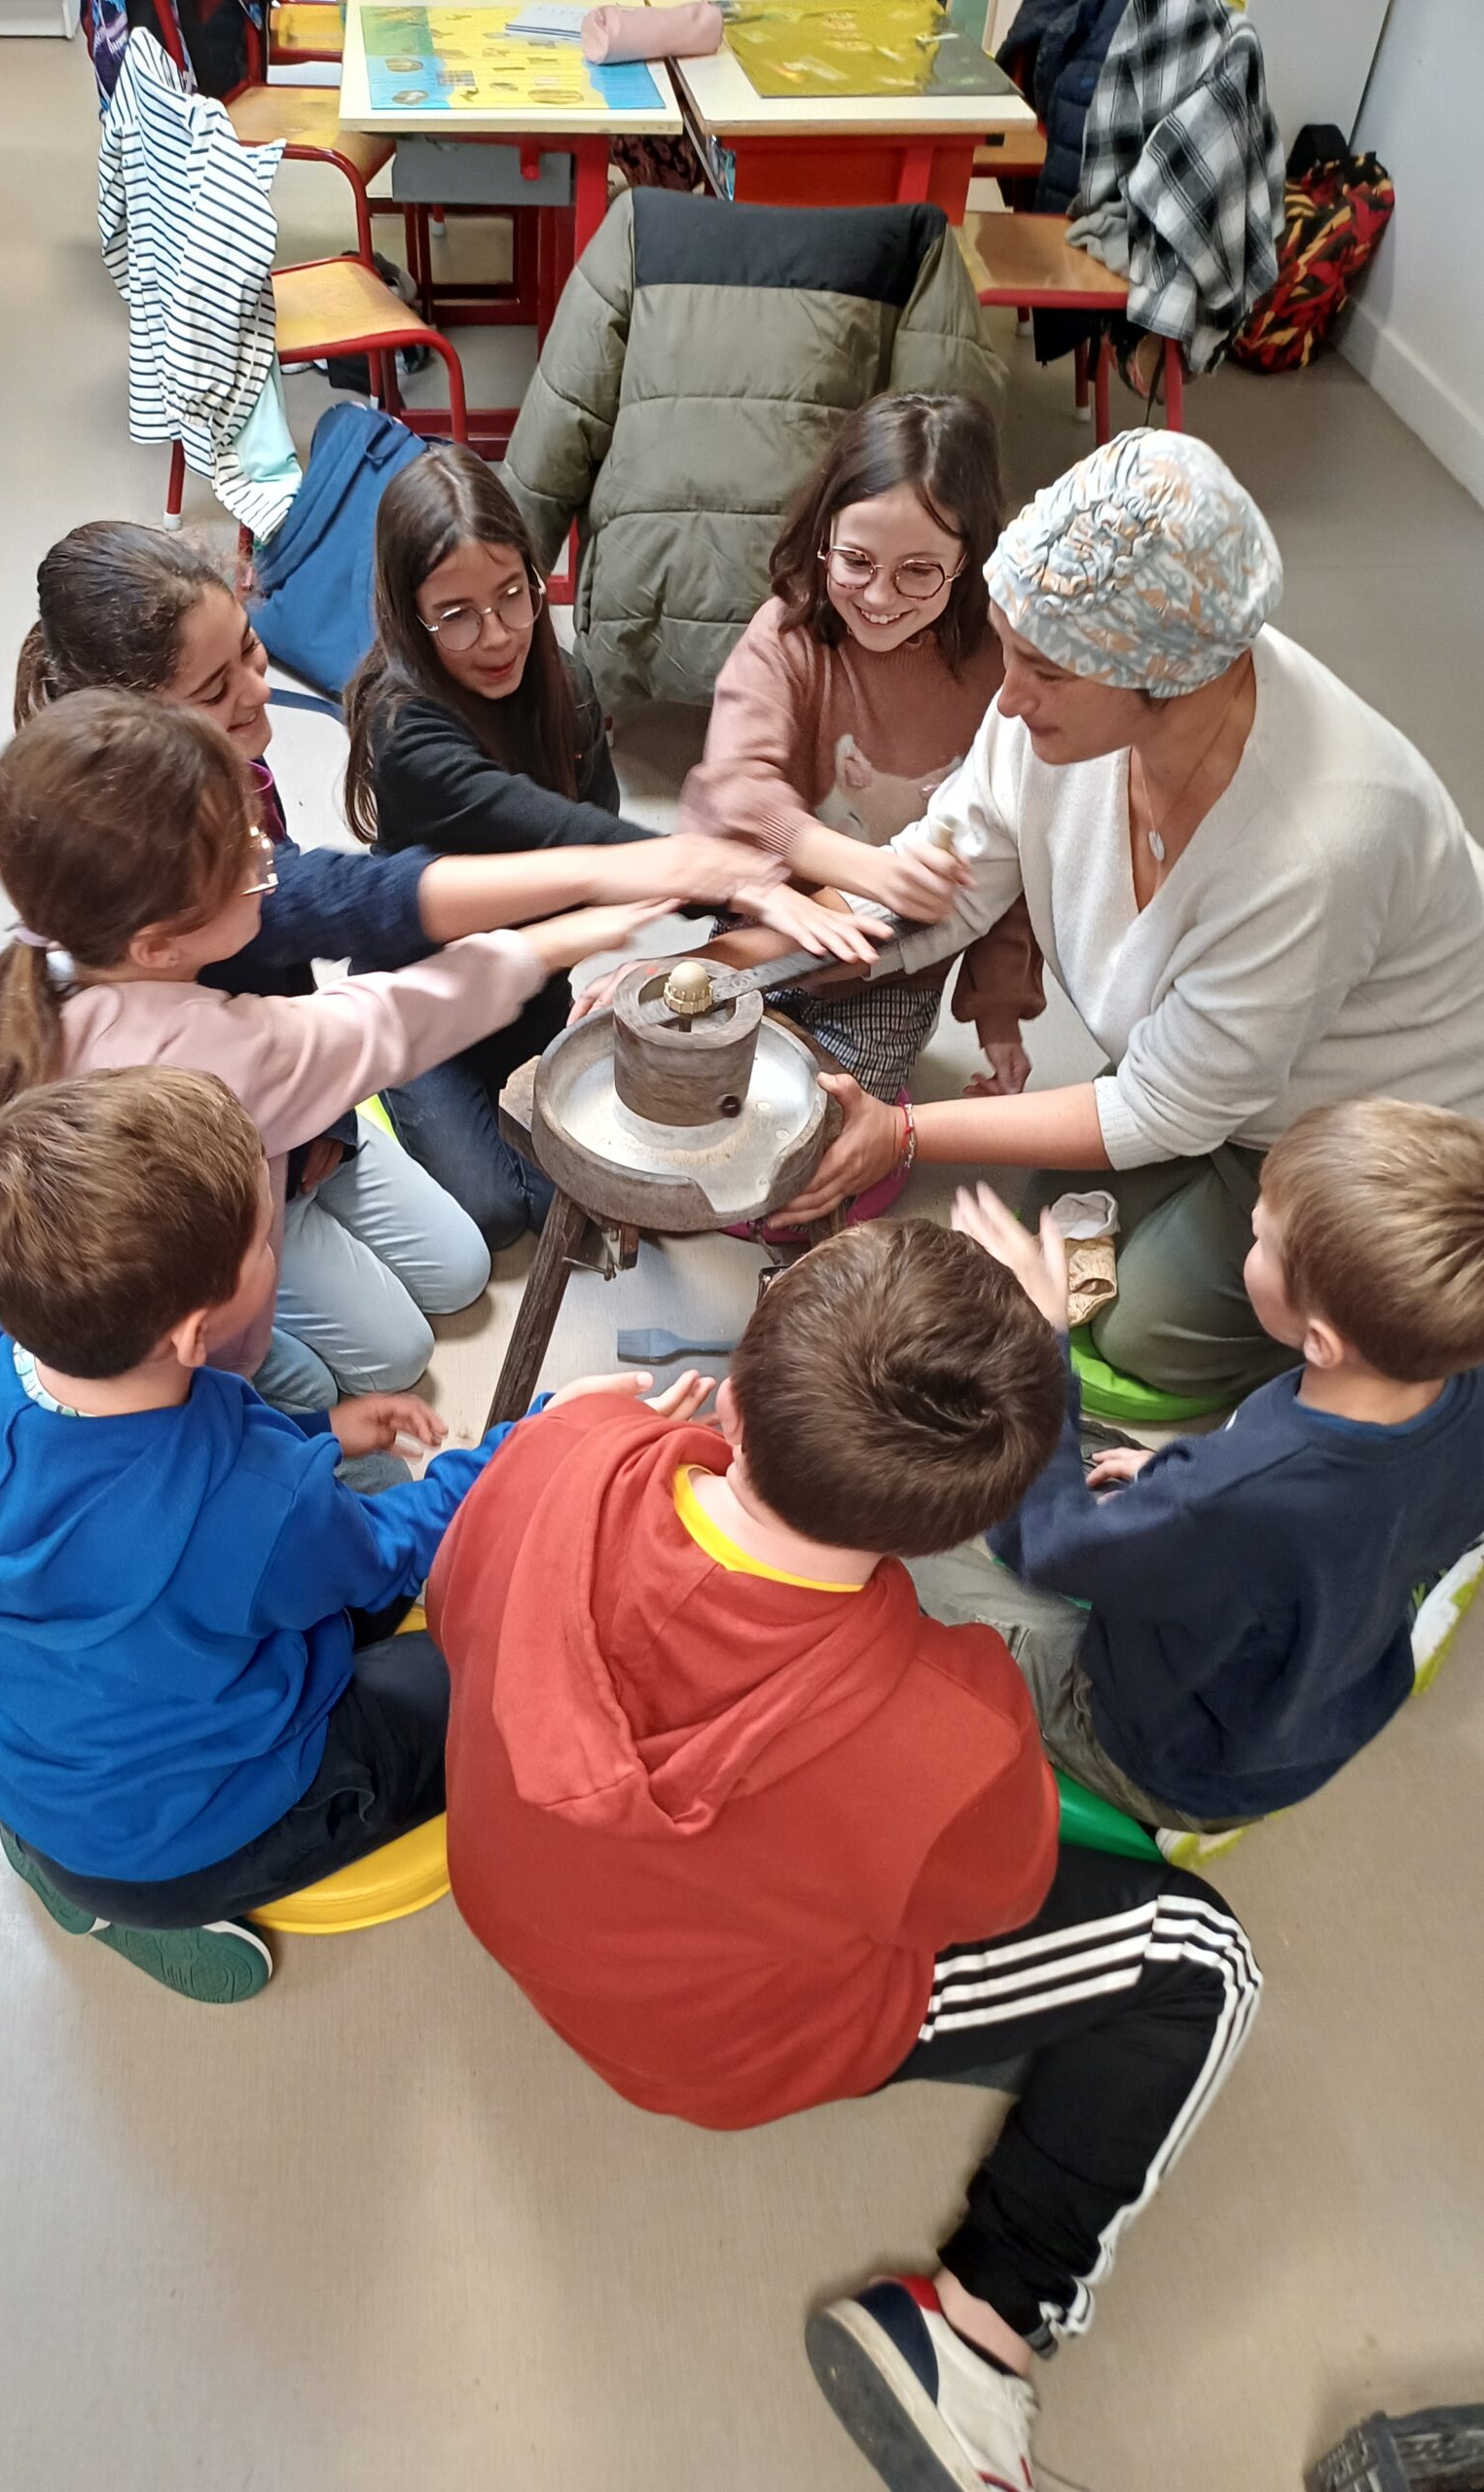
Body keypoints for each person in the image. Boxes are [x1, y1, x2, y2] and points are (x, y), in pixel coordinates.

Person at [427, 1220, 1261, 2492]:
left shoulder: (567, 1449)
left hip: (511, 1895)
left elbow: (459, 1594)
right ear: (958, 1524)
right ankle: (981, 2341)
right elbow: (990, 1900)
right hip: (715, 2047)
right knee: (1205, 1956)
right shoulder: (953, 1718)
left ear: (742, 1393)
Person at [734, 430, 1484, 1404]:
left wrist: (905, 1132)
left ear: (1174, 680)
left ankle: (1412, 1313)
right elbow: (929, 882)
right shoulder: (1077, 703)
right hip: (1220, 1065)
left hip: (1376, 1123)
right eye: (1009, 649)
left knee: (1140, 1328)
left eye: (1043, 671)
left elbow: (1163, 1107)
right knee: (1049, 1226)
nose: (1006, 698)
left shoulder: (1317, 845)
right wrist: (719, 970)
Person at [16, 520, 772, 1405]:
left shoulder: (206, 827)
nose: (259, 689)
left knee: (456, 1273)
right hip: (231, 1181)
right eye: (217, 687)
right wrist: (605, 891)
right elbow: (364, 949)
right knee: (389, 1356)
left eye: (254, 652)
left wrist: (595, 905)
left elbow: (353, 966)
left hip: (297, 1112)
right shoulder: (182, 1000)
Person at [0, 1065, 510, 2001]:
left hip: (31, 1765)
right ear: (196, 1332)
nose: (277, 1245)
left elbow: (207, 1494)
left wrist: (316, 1436)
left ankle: (51, 1857)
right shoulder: (256, 1504)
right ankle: (157, 1906)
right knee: (487, 1683)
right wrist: (521, 1446)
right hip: (186, 1837)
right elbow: (385, 1550)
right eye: (271, 1240)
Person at [0, 688, 670, 1390]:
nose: (270, 863)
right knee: (368, 1366)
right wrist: (575, 929)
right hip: (202, 1259)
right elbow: (391, 1019)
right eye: (247, 862)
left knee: (461, 1269)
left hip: (279, 1138)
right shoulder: (207, 1054)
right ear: (158, 944)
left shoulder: (61, 964)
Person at [923, 1103, 1484, 1837]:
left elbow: (1050, 1544)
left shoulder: (1231, 1497)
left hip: (1166, 1755)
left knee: (915, 1547)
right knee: (1093, 1463)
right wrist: (1178, 1475)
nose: (1250, 1225)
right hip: (1314, 1701)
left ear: (1318, 1340)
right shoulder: (1460, 1384)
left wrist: (1040, 1341)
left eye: (1260, 1237)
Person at [344, 446, 796, 1250]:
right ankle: (383, 1086)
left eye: (513, 596)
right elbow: (575, 837)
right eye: (455, 614)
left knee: (590, 1191)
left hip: (531, 981)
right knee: (499, 1214)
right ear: (406, 612)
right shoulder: (402, 726)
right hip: (423, 997)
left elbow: (602, 871)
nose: (496, 636)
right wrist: (727, 879)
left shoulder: (570, 689)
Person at [676, 393, 1042, 1115]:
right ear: (823, 536)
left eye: (918, 571)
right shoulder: (788, 634)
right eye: (855, 560)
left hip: (892, 977)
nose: (878, 595)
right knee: (694, 1081)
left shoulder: (1000, 674)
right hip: (767, 917)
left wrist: (999, 1011)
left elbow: (1014, 859)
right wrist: (877, 872)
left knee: (826, 1125)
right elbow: (734, 794)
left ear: (969, 559)